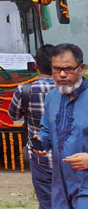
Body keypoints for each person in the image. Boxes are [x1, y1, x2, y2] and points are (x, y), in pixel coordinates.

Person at [35, 43, 88, 209]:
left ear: (82, 69)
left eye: (68, 69)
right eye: (56, 69)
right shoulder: (52, 97)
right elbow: (47, 131)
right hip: (60, 186)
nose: (62, 75)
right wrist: (41, 140)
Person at [8, 44, 55, 209]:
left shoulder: (25, 90)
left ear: (35, 66)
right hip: (72, 158)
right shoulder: (74, 89)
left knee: (47, 202)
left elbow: (13, 116)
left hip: (41, 157)